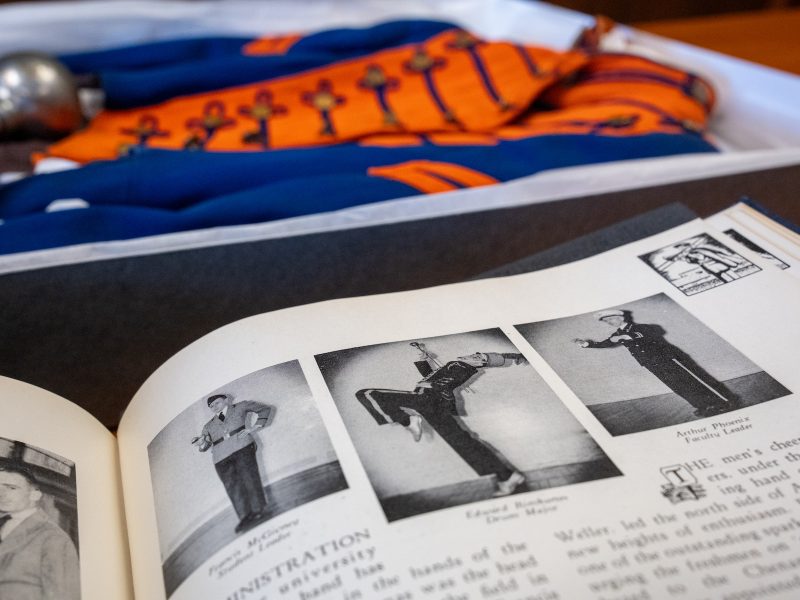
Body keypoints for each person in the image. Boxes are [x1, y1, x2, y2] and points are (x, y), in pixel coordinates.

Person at [356, 344, 527, 497]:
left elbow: (444, 379)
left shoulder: (460, 366)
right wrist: (423, 361)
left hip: (428, 398)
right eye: (475, 354)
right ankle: (507, 476)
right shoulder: (456, 366)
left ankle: (408, 421)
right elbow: (433, 376)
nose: (472, 356)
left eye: (478, 357)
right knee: (461, 441)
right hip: (435, 405)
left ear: (479, 363)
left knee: (366, 394)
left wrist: (437, 386)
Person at [573, 309, 735, 417]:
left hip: (667, 358)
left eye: (612, 318)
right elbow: (606, 343)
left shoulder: (641, 327)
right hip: (650, 363)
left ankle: (722, 402)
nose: (610, 322)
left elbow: (654, 332)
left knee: (692, 380)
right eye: (607, 321)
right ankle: (703, 406)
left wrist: (629, 337)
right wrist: (587, 344)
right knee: (676, 385)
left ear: (621, 317)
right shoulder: (616, 334)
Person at [192, 393, 273, 533]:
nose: (214, 407)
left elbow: (265, 409)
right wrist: (201, 443)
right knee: (232, 486)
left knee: (250, 478)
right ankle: (244, 516)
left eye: (216, 403)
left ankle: (259, 510)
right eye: (211, 406)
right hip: (220, 457)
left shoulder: (240, 406)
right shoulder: (208, 426)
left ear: (226, 400)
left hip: (242, 447)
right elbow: (204, 447)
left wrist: (252, 428)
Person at [0, 463, 80, 600]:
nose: (1, 494)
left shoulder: (54, 538)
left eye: (12, 488)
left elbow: (64, 595)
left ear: (34, 495)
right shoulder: (3, 524)